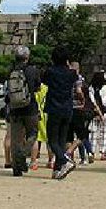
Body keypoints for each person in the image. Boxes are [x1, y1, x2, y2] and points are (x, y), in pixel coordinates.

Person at [44, 46, 79, 180]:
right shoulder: (72, 73)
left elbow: (44, 82)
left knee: (52, 140)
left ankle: (64, 161)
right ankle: (57, 170)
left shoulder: (50, 72)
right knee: (61, 140)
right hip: (67, 109)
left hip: (54, 108)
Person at [7, 46, 41, 177]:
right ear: (27, 57)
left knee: (16, 139)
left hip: (14, 108)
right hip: (30, 108)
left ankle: (16, 168)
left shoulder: (11, 70)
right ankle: (23, 155)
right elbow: (38, 87)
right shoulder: (32, 71)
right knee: (33, 133)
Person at [89, 71, 106, 160]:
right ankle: (103, 152)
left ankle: (91, 152)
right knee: (103, 133)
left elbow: (93, 102)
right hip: (104, 112)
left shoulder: (91, 88)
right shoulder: (105, 87)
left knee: (93, 133)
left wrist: (98, 112)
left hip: (94, 113)